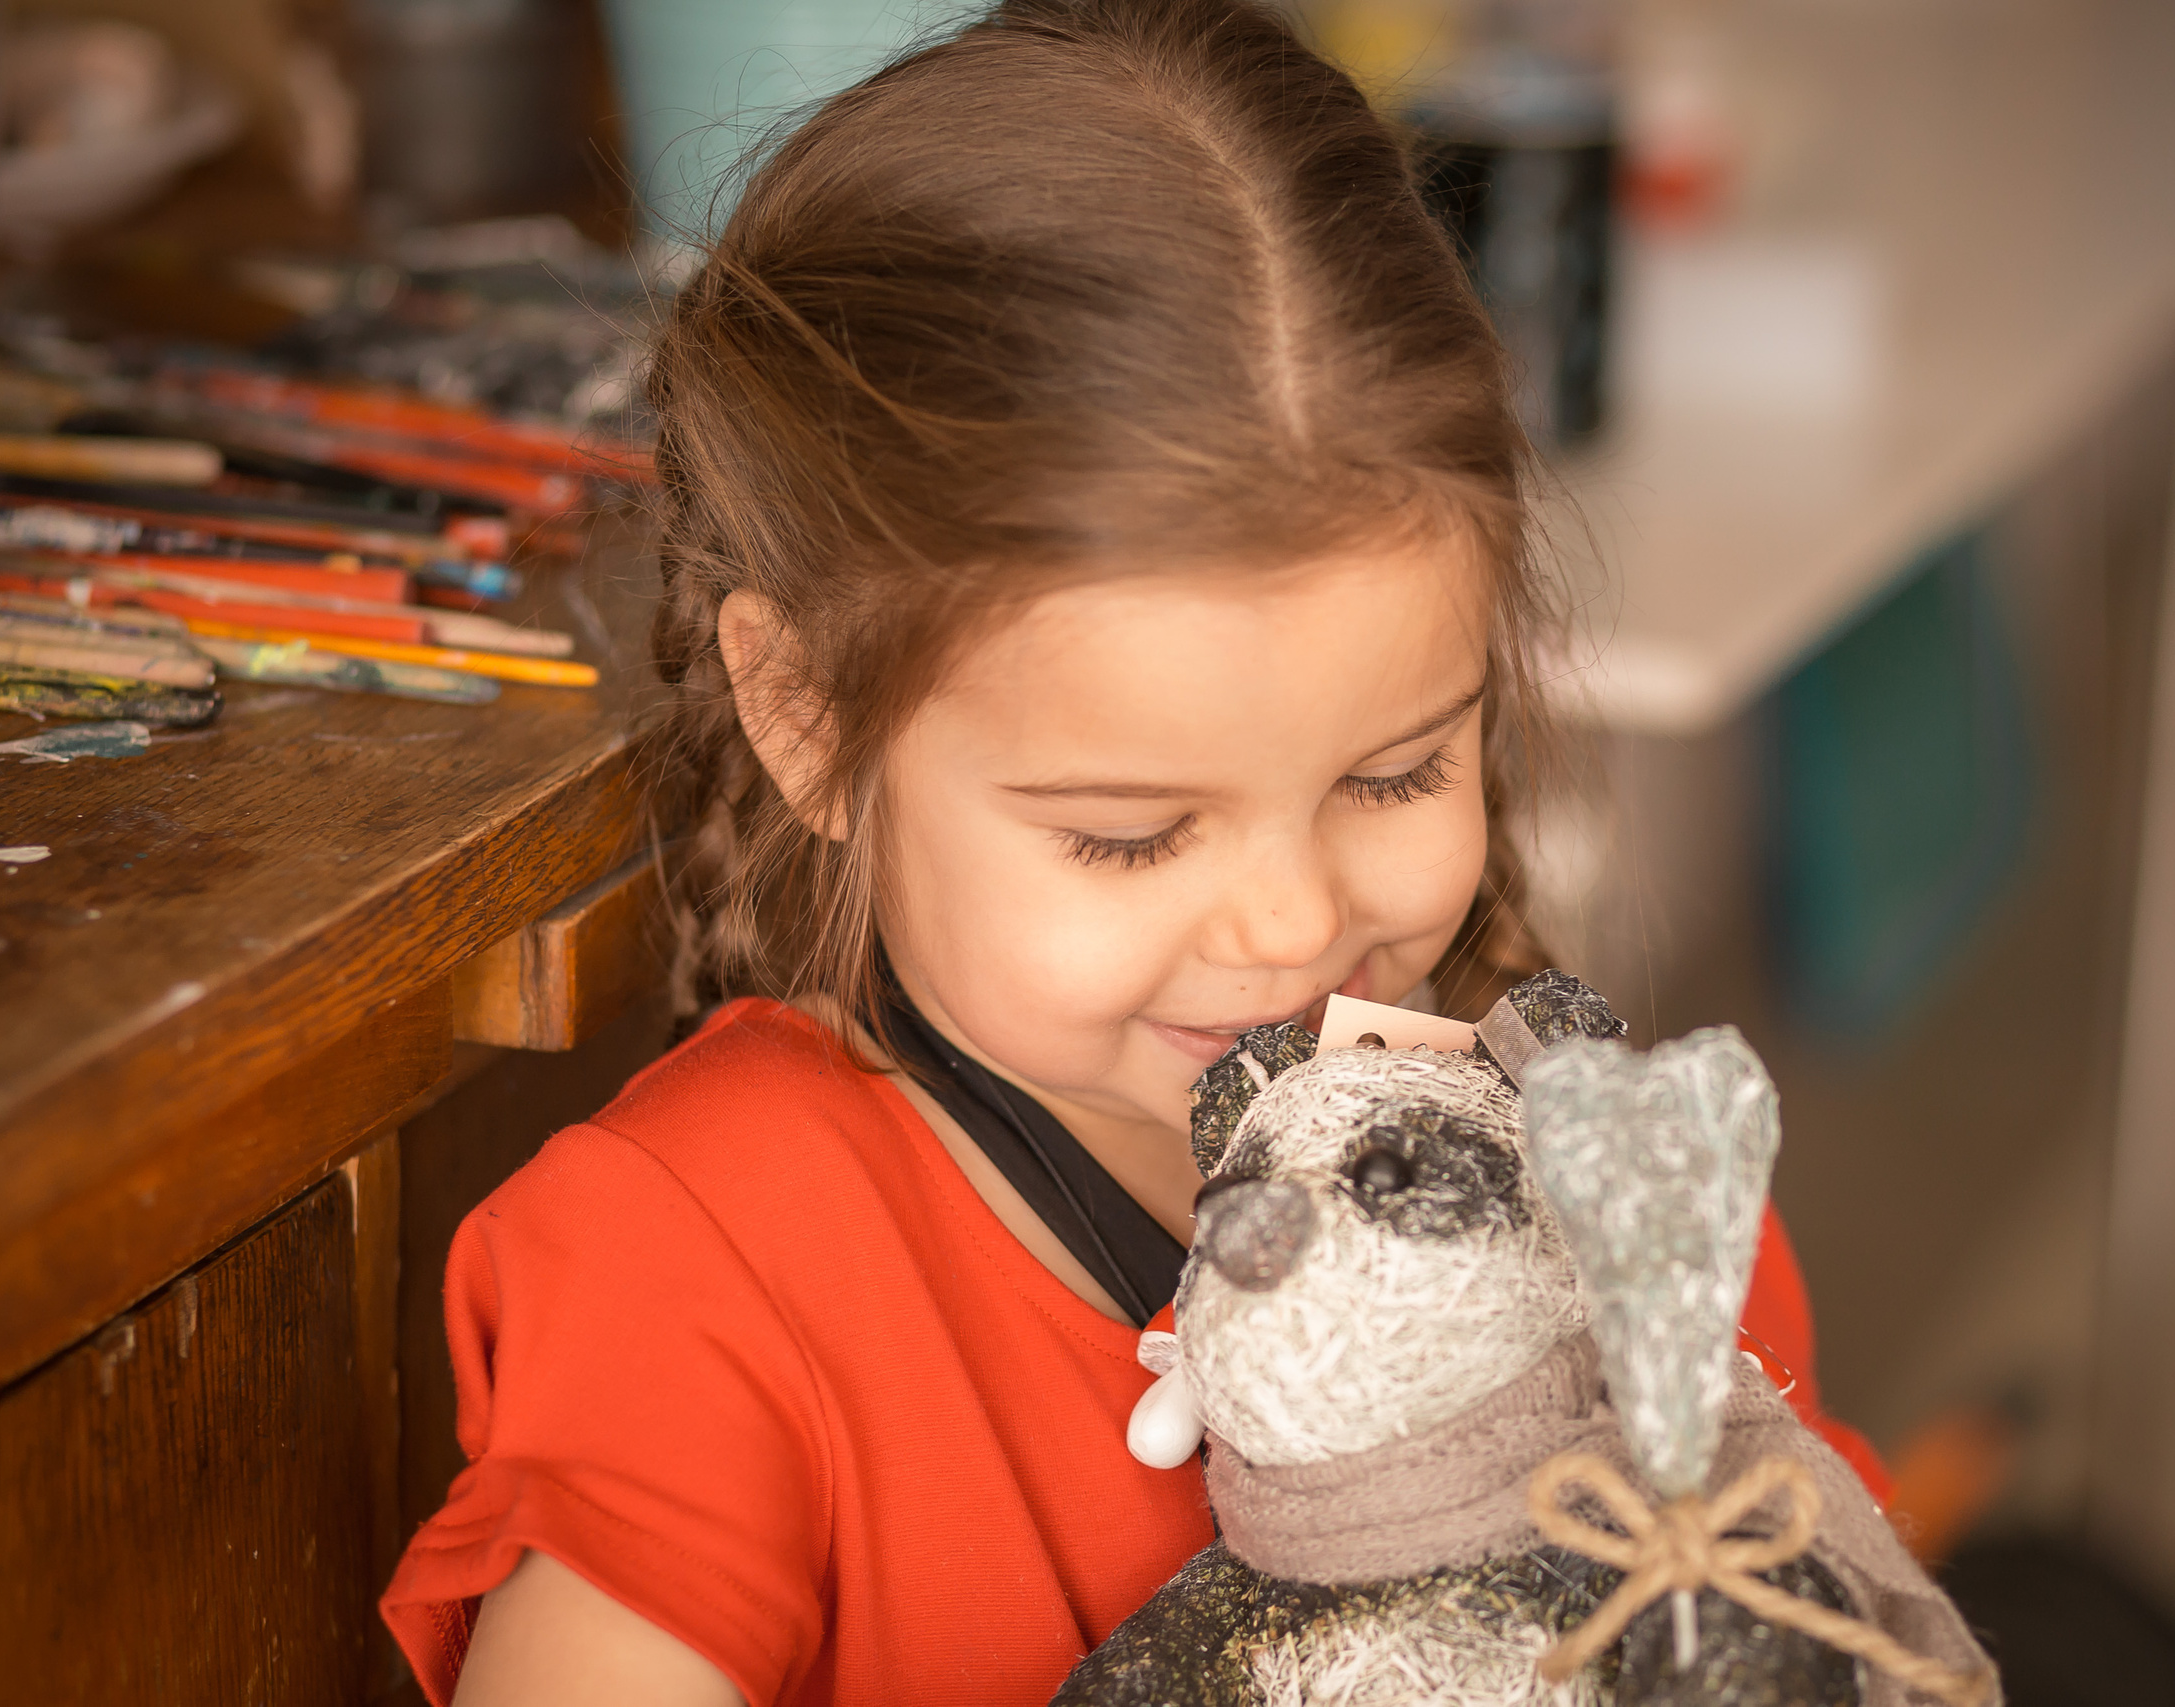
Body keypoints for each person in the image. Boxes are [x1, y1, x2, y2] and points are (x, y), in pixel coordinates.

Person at [381, 3, 1884, 1702]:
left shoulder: (1627, 1203)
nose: (1295, 920)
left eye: (1396, 776)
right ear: (806, 720)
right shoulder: (700, 1271)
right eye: (1130, 835)